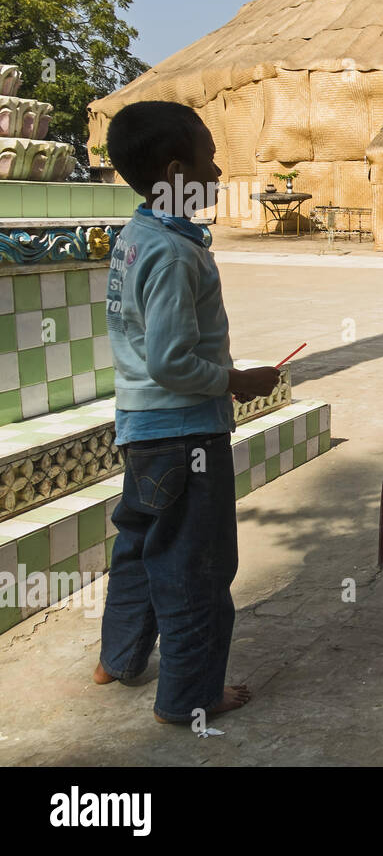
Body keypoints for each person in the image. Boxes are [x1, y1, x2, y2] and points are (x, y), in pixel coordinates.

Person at [93, 100, 281, 722]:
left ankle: (116, 659)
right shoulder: (175, 256)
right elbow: (172, 364)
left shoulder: (139, 237)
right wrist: (237, 380)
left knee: (142, 547)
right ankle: (191, 697)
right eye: (210, 155)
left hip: (143, 430)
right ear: (178, 172)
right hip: (184, 436)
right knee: (196, 569)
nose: (221, 168)